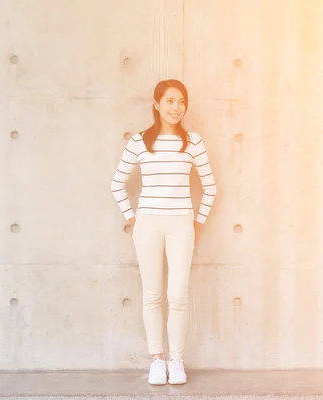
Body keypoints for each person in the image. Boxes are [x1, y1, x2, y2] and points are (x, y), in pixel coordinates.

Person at [110, 79, 217, 385]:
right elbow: (116, 183)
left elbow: (210, 187)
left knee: (178, 295)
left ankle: (176, 360)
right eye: (169, 101)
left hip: (181, 224)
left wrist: (198, 221)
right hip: (147, 224)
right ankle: (157, 360)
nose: (176, 108)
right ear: (156, 105)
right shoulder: (139, 142)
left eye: (181, 101)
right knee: (153, 295)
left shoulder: (193, 142)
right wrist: (132, 218)